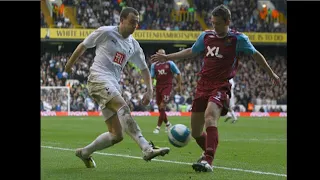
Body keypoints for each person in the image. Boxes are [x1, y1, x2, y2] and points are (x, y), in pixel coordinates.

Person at [151, 4, 280, 172]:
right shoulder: (206, 36)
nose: (214, 26)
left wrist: (271, 74)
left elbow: (256, 54)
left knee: (210, 117)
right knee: (196, 132)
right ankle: (207, 153)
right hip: (202, 84)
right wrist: (167, 57)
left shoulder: (238, 39)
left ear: (228, 21)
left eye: (218, 23)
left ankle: (208, 160)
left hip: (220, 85)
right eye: (212, 23)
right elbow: (192, 51)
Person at [64, 7, 170, 169]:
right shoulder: (106, 32)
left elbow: (144, 69)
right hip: (98, 79)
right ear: (121, 20)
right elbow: (83, 45)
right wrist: (69, 65)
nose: (135, 26)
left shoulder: (134, 45)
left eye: (137, 23)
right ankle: (146, 148)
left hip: (113, 84)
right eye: (132, 22)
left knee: (116, 135)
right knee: (123, 106)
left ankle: (84, 152)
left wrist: (149, 90)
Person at [150, 49, 182, 134]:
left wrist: (179, 85)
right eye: (160, 54)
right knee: (161, 108)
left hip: (167, 87)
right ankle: (168, 124)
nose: (162, 56)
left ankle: (158, 127)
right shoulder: (154, 65)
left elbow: (178, 73)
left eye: (163, 54)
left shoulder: (170, 64)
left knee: (162, 105)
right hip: (158, 87)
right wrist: (151, 86)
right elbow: (152, 77)